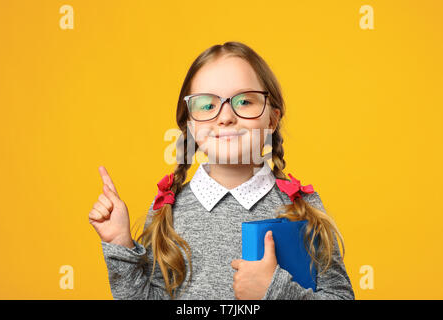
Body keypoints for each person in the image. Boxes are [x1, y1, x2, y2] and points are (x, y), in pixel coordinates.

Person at [89, 41, 355, 300]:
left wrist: (274, 292)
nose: (225, 116)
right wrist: (120, 245)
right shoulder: (167, 211)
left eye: (245, 102)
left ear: (272, 120)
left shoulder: (302, 208)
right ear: (191, 127)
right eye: (207, 105)